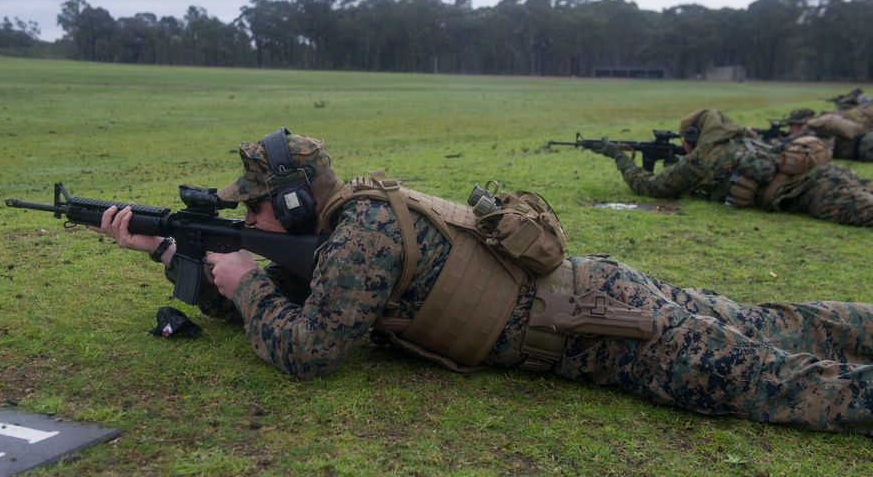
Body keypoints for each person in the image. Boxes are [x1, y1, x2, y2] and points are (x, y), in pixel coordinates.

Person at [93, 128, 873, 436]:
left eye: (256, 206)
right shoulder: (348, 225)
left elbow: (310, 349)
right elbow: (302, 298)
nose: (252, 220)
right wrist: (173, 255)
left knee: (777, 379)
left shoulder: (358, 235)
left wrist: (242, 281)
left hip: (603, 329)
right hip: (599, 294)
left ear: (295, 198)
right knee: (776, 323)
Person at [590, 108, 873, 227]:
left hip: (814, 191)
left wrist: (618, 156)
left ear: (692, 136)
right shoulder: (739, 139)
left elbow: (650, 187)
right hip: (828, 175)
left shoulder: (705, 157)